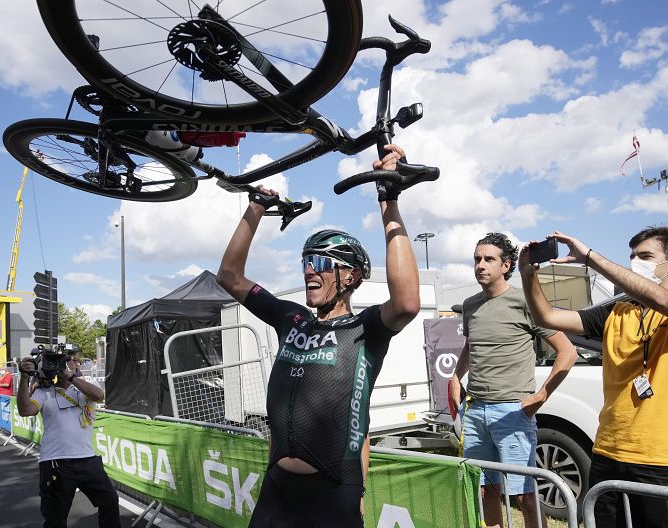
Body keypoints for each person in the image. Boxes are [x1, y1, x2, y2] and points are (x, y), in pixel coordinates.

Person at [217, 144, 421, 527]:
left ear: (353, 276)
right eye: (308, 260)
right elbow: (229, 277)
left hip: (332, 496)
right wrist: (256, 207)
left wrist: (388, 200)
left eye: (324, 262)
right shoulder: (291, 319)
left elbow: (407, 302)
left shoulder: (366, 329)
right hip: (277, 491)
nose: (311, 269)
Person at [519, 228, 668, 528]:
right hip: (608, 454)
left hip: (666, 461)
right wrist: (527, 274)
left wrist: (590, 258)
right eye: (631, 257)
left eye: (645, 257)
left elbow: (665, 301)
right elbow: (548, 317)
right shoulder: (616, 312)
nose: (634, 263)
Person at [449, 232, 576, 528]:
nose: (481, 265)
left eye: (489, 259)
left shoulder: (525, 301)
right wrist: (456, 377)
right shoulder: (470, 305)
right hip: (475, 410)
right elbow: (472, 345)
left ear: (506, 266)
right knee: (485, 489)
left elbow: (567, 352)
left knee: (524, 496)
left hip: (512, 411)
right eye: (477, 259)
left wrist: (541, 396)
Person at [16, 351, 121, 528]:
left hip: (88, 459)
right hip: (55, 462)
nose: (60, 366)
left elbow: (99, 396)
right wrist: (24, 378)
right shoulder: (43, 392)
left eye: (65, 361)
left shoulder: (87, 385)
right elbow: (26, 410)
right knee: (55, 517)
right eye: (55, 362)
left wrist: (69, 377)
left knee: (109, 501)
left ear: (75, 364)